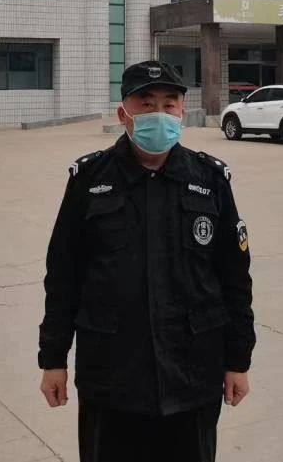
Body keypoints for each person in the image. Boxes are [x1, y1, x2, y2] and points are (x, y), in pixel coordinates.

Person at [38, 60, 255, 462]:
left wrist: (238, 360)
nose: (159, 113)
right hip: (111, 381)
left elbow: (235, 279)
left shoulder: (209, 179)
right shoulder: (89, 180)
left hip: (193, 377)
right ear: (123, 114)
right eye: (146, 103)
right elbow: (63, 276)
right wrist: (53, 358)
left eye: (169, 104)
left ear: (182, 111)